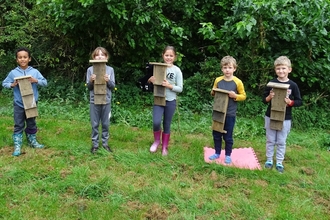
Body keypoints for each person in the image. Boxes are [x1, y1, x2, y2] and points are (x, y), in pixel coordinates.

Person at [2, 47, 47, 156]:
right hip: (19, 104)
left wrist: (35, 80)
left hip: (31, 103)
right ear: (17, 60)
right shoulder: (13, 73)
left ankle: (32, 141)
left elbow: (45, 82)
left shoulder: (35, 72)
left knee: (31, 123)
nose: (22, 59)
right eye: (20, 57)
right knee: (18, 124)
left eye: (25, 57)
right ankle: (17, 145)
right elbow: (4, 83)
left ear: (29, 59)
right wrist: (12, 85)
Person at [262, 56, 302, 173]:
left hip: (285, 118)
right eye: (278, 69)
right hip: (270, 116)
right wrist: (269, 97)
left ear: (289, 69)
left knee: (281, 141)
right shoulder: (271, 83)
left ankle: (279, 162)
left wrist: (290, 102)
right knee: (270, 140)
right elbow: (264, 100)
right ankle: (269, 160)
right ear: (275, 70)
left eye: (283, 68)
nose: (281, 71)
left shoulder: (293, 85)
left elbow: (299, 101)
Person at [208, 56, 246, 164]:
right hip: (218, 112)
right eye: (225, 67)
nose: (227, 70)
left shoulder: (237, 82)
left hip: (230, 113)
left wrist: (235, 96)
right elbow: (213, 92)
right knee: (216, 133)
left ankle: (228, 155)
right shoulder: (218, 80)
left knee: (228, 136)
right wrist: (213, 92)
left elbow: (243, 96)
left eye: (230, 67)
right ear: (222, 69)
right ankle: (217, 153)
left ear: (234, 68)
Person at [148, 46, 183, 156]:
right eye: (166, 55)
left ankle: (164, 147)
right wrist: (150, 80)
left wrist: (169, 85)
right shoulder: (157, 67)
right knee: (156, 122)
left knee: (167, 124)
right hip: (158, 100)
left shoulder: (177, 70)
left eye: (171, 55)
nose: (168, 57)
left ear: (175, 57)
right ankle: (157, 141)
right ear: (163, 55)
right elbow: (148, 82)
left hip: (170, 101)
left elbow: (180, 88)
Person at [86, 47, 115, 154]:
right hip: (94, 101)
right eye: (97, 55)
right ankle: (95, 145)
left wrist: (108, 81)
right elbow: (88, 87)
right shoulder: (90, 70)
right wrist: (91, 81)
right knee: (94, 124)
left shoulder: (110, 70)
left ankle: (105, 143)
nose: (100, 57)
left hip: (106, 101)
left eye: (102, 54)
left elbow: (113, 86)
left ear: (106, 57)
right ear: (93, 57)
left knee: (106, 124)